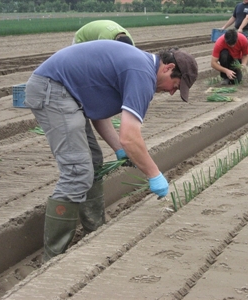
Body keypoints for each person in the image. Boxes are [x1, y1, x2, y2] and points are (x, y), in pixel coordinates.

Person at [24, 40, 198, 262]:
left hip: (65, 92)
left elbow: (98, 110)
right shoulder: (141, 73)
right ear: (169, 68)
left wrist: (117, 148)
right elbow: (130, 136)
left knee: (94, 161)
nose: (173, 92)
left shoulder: (139, 67)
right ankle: (53, 258)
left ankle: (94, 229)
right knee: (77, 170)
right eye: (176, 85)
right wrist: (155, 175)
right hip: (52, 89)